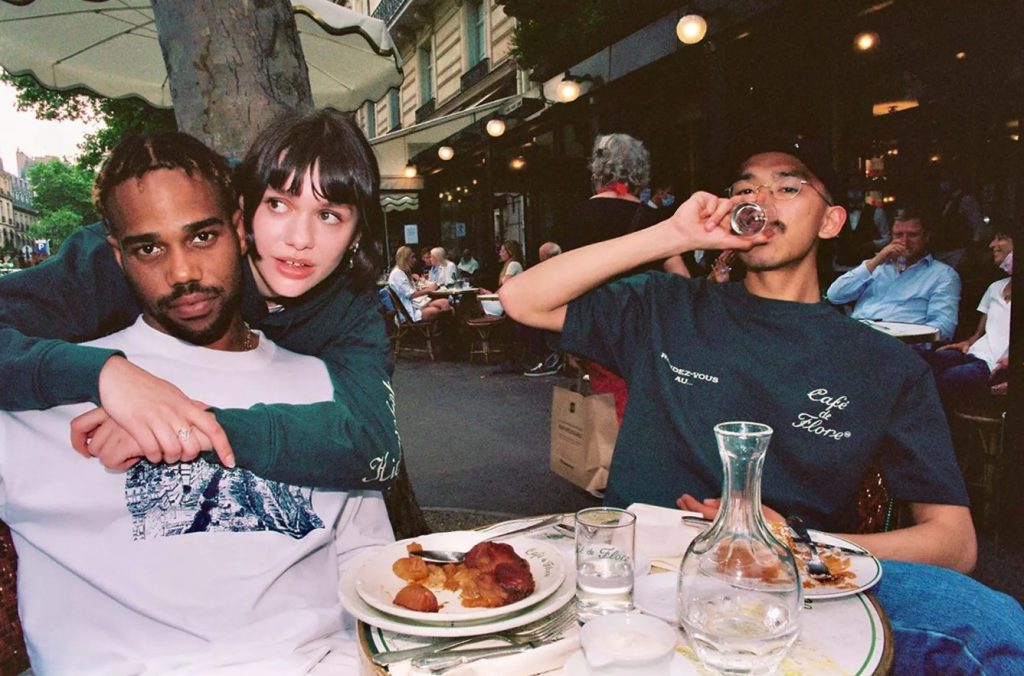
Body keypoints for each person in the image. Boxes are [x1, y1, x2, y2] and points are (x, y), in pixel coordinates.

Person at [500, 134, 1024, 672]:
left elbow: (954, 543)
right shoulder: (666, 307)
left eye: (788, 187)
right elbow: (521, 299)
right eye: (745, 188)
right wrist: (674, 233)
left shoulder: (885, 365)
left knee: (993, 626)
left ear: (830, 221)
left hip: (789, 579)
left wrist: (795, 543)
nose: (761, 200)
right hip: (640, 572)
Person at [0, 132, 393, 673]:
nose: (182, 272)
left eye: (203, 237)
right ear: (117, 255)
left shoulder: (329, 377)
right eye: (148, 248)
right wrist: (104, 373)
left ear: (238, 228)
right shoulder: (35, 394)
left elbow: (366, 552)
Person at [0, 110, 402, 494]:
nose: (299, 238)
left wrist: (204, 429)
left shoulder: (349, 304)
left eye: (329, 215)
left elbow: (376, 446)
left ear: (356, 235)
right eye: (278, 204)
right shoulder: (136, 251)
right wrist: (105, 374)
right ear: (242, 208)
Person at [826, 208, 961, 341]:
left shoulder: (943, 275)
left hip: (901, 344)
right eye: (898, 235)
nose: (904, 241)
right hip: (857, 336)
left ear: (927, 237)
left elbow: (943, 328)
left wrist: (909, 340)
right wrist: (876, 260)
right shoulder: (875, 266)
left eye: (912, 235)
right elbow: (835, 296)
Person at [921, 230, 1012, 411]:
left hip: (997, 368)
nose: (992, 245)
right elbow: (979, 334)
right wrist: (967, 342)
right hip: (973, 355)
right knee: (920, 362)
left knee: (946, 380)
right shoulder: (995, 287)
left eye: (1001, 239)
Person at [522, 241, 564, 377]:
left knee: (534, 323)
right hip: (558, 308)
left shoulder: (558, 271)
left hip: (561, 310)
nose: (541, 263)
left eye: (543, 259)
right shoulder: (561, 268)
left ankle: (548, 360)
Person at [388, 245, 451, 321]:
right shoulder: (397, 274)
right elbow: (412, 295)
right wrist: (429, 289)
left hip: (416, 305)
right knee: (436, 311)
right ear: (405, 259)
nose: (415, 260)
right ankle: (443, 327)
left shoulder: (401, 272)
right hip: (410, 312)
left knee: (445, 302)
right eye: (412, 257)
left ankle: (446, 326)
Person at [479, 240, 524, 317]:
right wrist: (491, 294)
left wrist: (491, 295)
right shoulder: (511, 265)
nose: (500, 254)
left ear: (510, 252)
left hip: (511, 303)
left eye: (502, 251)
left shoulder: (513, 264)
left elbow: (505, 287)